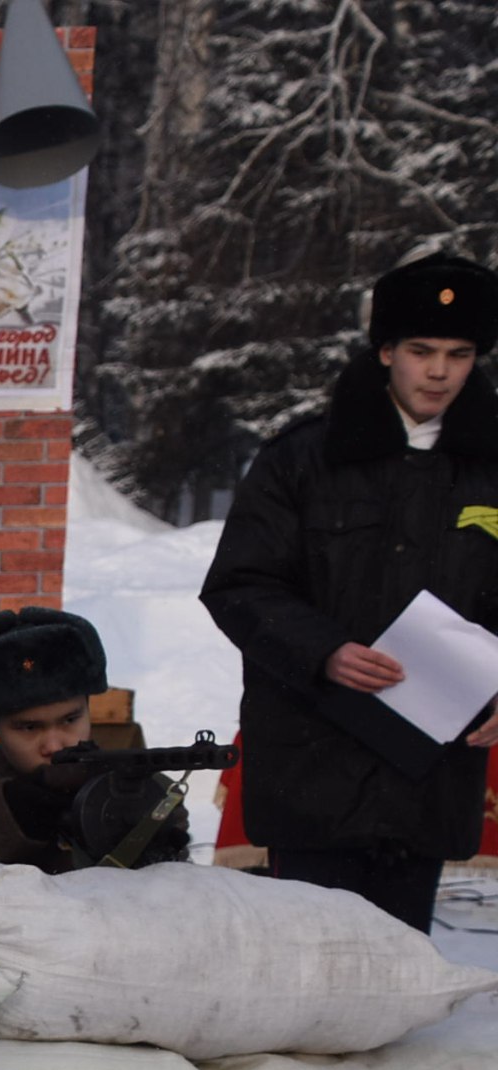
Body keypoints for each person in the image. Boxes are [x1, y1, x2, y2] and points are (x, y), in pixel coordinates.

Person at [200, 252, 498, 930]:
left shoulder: (491, 468)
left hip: (430, 768)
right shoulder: (302, 458)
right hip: (314, 756)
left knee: (397, 965)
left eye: (459, 353)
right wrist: (325, 650)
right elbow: (239, 583)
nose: (438, 371)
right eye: (421, 350)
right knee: (312, 961)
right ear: (386, 349)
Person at [0, 607, 191, 882]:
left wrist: (154, 851)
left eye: (70, 719)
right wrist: (13, 814)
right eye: (29, 727)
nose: (54, 744)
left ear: (88, 706)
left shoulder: (148, 790)